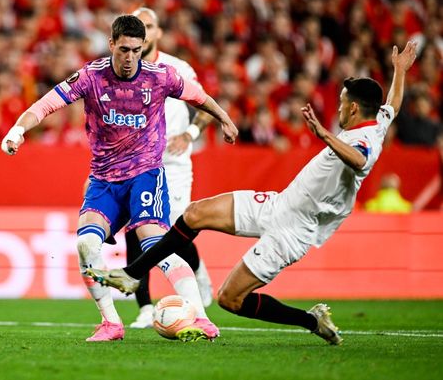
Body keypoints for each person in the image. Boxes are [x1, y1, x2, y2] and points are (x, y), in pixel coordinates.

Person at [87, 42, 418, 345]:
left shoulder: (364, 141)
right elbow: (393, 104)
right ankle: (132, 275)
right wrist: (399, 72)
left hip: (294, 230)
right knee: (194, 214)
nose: (340, 109)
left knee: (230, 299)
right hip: (279, 203)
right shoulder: (377, 121)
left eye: (343, 104)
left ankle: (311, 320)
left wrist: (324, 134)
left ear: (356, 109)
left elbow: (359, 161)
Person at [2, 15, 238, 342]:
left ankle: (201, 317)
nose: (129, 58)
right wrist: (17, 130)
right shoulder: (90, 76)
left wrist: (224, 120)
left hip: (145, 175)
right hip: (104, 181)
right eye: (124, 49)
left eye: (136, 51)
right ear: (111, 44)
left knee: (156, 246)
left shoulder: (161, 76)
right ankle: (111, 323)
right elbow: (45, 105)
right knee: (85, 244)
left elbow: (201, 97)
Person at [126, 7, 214, 329]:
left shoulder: (178, 67)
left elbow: (204, 105)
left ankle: (199, 272)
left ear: (158, 32)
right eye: (139, 28)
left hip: (173, 165)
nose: (144, 33)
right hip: (135, 162)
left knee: (174, 232)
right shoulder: (121, 70)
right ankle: (145, 307)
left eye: (149, 27)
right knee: (135, 231)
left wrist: (189, 134)